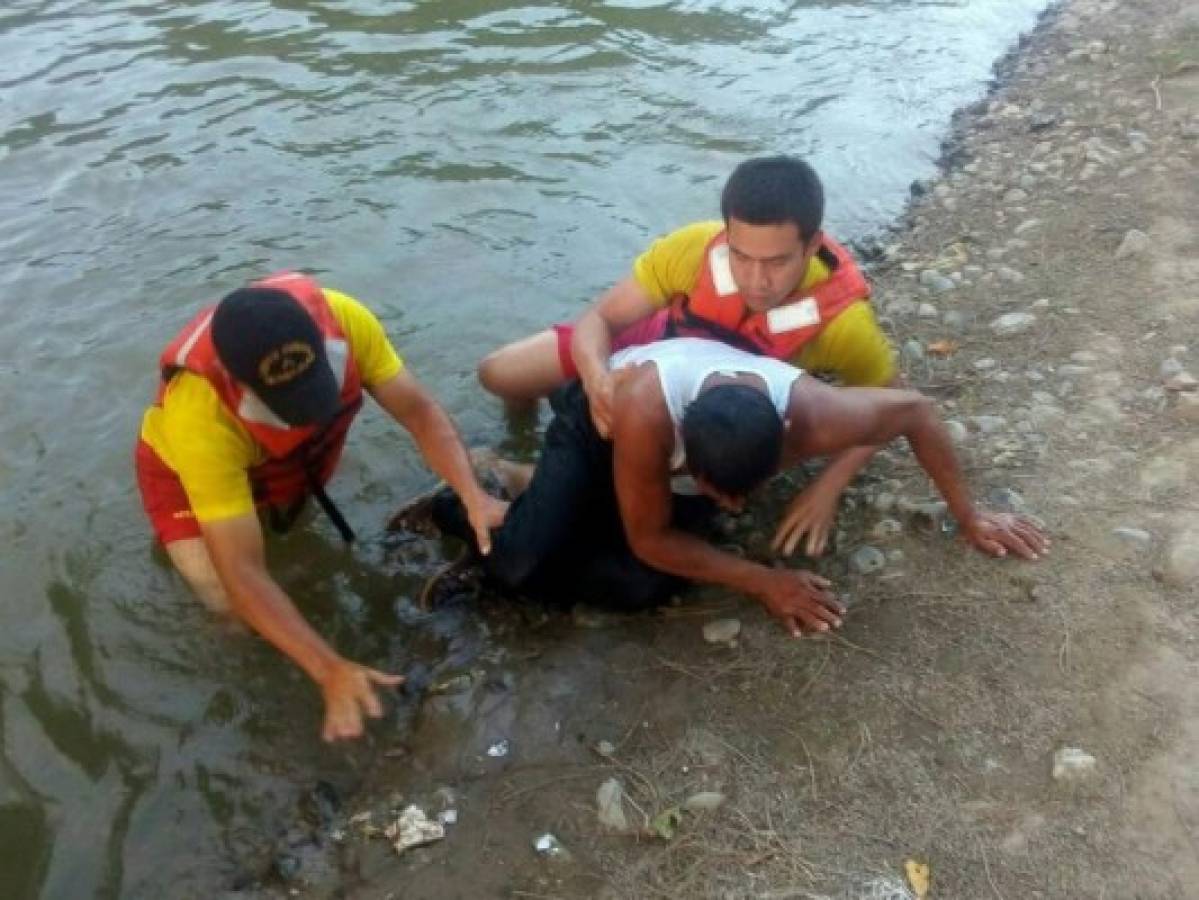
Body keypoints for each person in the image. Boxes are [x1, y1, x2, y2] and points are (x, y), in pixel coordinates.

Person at [436, 338, 1047, 633]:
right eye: (720, 493)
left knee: (643, 587)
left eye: (742, 494)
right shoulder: (649, 412)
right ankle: (463, 501)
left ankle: (543, 502)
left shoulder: (815, 415)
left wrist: (969, 516)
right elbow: (651, 536)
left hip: (679, 466)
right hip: (600, 428)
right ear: (687, 456)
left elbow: (917, 412)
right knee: (518, 564)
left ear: (788, 440)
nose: (734, 506)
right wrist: (765, 582)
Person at [135, 271, 508, 741]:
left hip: (293, 458)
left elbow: (419, 412)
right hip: (182, 478)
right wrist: (327, 667)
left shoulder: (345, 319)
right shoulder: (201, 414)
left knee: (296, 539)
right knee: (229, 605)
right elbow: (242, 572)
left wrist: (475, 498)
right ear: (237, 384)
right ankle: (262, 697)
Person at [477, 155, 897, 559]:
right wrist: (596, 379)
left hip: (721, 399)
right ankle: (522, 439)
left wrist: (826, 487)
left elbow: (890, 404)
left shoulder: (845, 325)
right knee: (498, 373)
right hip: (656, 345)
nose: (755, 281)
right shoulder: (692, 248)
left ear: (811, 247)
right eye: (740, 256)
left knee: (647, 472)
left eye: (776, 262)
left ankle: (523, 476)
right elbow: (599, 319)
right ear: (727, 236)